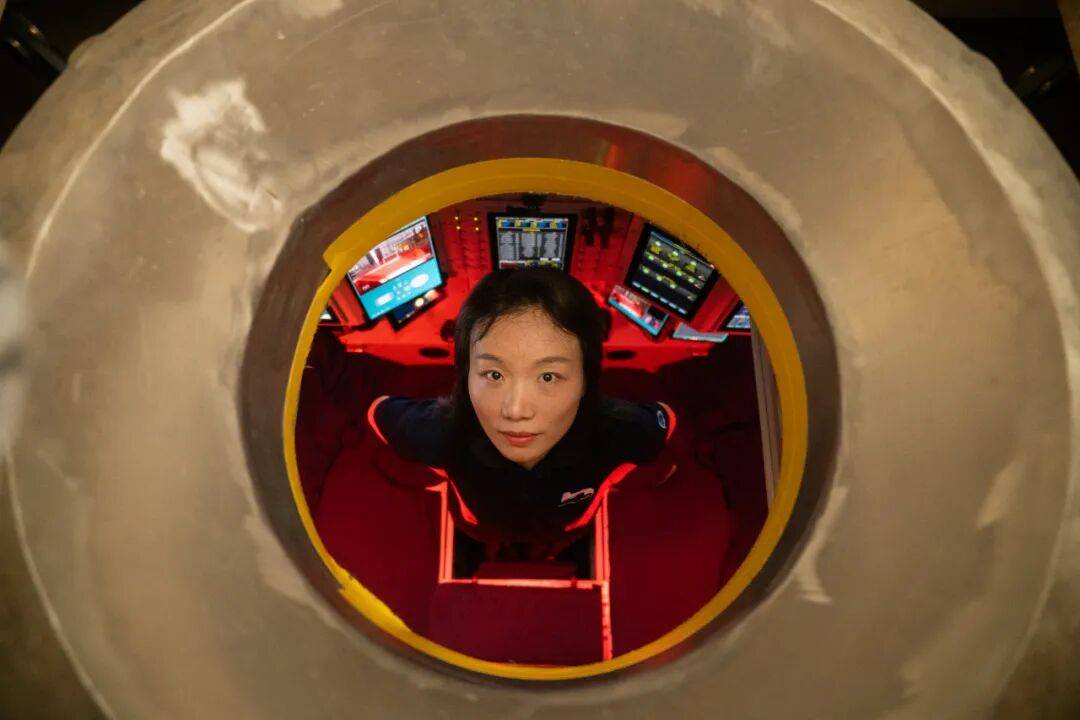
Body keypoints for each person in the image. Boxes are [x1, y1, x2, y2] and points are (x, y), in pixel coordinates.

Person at [366, 268, 678, 554]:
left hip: (544, 529)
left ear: (586, 380)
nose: (516, 411)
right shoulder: (440, 432)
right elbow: (666, 417)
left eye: (548, 376)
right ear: (465, 375)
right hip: (528, 528)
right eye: (494, 374)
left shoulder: (618, 430)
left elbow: (379, 411)